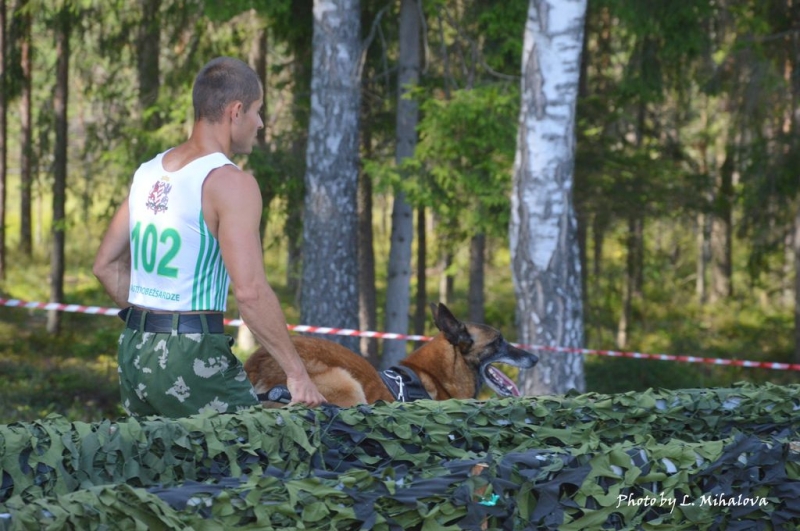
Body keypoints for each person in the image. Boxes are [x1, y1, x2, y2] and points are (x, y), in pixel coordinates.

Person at [93, 56, 325, 417]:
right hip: (191, 355)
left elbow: (105, 266)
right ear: (236, 111)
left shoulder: (148, 173)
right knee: (252, 462)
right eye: (257, 111)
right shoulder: (230, 182)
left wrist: (154, 324)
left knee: (160, 466)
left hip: (134, 348)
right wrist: (297, 375)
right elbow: (250, 293)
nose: (260, 123)